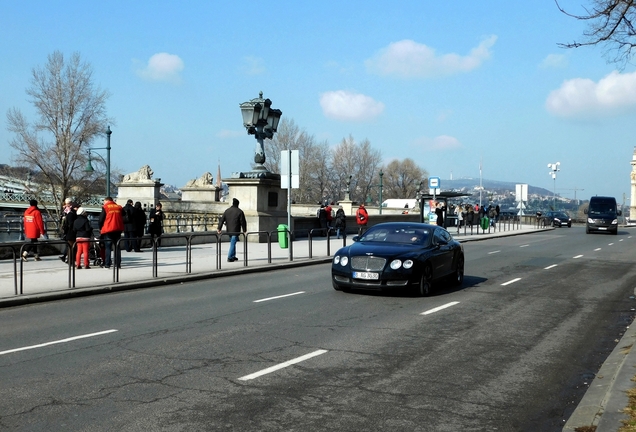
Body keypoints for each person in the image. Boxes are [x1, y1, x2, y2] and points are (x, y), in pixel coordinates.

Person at [217, 198, 247, 262]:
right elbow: (243, 222)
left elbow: (222, 220)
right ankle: (230, 257)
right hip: (235, 230)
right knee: (233, 243)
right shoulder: (240, 211)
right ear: (238, 204)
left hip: (229, 230)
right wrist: (244, 230)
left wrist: (219, 228)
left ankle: (233, 256)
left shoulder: (227, 211)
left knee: (233, 242)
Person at [98, 196, 124, 269]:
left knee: (108, 247)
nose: (103, 203)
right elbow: (124, 216)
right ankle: (118, 264)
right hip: (118, 229)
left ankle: (107, 264)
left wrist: (101, 228)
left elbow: (101, 219)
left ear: (107, 201)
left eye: (104, 201)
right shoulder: (119, 207)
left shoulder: (105, 207)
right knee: (117, 247)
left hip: (108, 229)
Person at [59, 198, 77, 263]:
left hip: (68, 231)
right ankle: (67, 258)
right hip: (68, 230)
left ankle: (65, 257)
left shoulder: (68, 211)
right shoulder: (68, 211)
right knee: (70, 245)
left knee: (69, 245)